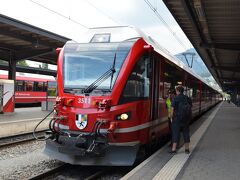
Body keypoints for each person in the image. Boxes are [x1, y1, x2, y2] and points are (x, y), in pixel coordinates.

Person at [169, 85, 192, 154]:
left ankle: (173, 150)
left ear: (177, 91)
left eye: (176, 91)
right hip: (185, 120)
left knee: (175, 134)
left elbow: (172, 110)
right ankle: (187, 149)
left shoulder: (175, 98)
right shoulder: (187, 98)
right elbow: (190, 108)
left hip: (176, 119)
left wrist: (171, 117)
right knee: (186, 134)